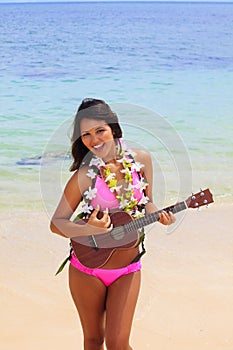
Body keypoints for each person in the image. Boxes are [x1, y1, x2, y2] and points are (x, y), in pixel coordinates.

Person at [50, 98, 176, 350]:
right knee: (94, 341)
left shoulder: (142, 160)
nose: (94, 140)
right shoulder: (85, 175)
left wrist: (159, 214)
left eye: (100, 131)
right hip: (87, 267)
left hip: (127, 266)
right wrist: (90, 229)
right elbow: (56, 223)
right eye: (86, 134)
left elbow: (147, 202)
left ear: (114, 129)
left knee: (118, 343)